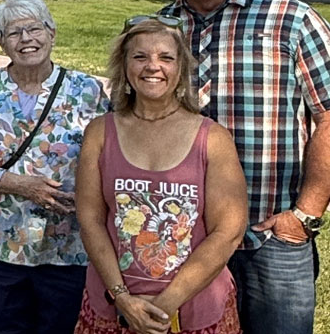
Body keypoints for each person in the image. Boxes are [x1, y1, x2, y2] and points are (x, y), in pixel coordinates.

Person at [157, 0, 330, 334]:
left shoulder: (291, 20)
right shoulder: (158, 30)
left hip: (270, 234)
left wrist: (304, 215)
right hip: (184, 236)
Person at [0, 0, 110, 334]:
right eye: (13, 32)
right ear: (1, 42)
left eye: (34, 29)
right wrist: (16, 184)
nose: (26, 39)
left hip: (67, 249)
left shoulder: (87, 90)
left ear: (52, 33)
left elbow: (109, 158)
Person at [75, 17, 247, 334]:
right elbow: (90, 220)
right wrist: (122, 299)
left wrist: (165, 306)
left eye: (166, 57)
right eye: (140, 56)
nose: (153, 66)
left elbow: (228, 232)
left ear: (181, 68)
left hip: (195, 311)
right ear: (124, 65)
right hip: (113, 309)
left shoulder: (212, 138)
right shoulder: (100, 133)